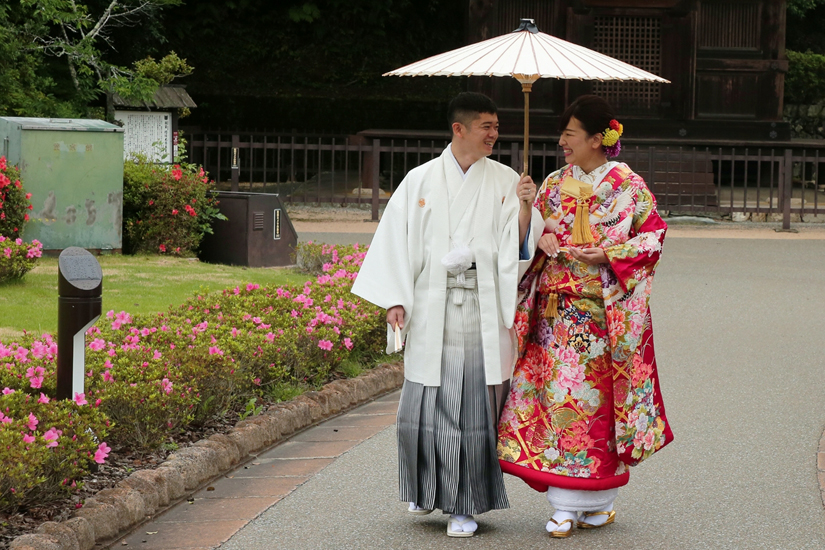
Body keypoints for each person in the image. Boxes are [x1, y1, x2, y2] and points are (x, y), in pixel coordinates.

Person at [351, 92, 545, 538]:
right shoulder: (419, 181)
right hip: (431, 302)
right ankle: (426, 488)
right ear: (459, 129)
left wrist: (526, 207)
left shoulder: (505, 181)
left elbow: (519, 244)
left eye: (497, 126)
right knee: (423, 403)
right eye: (486, 126)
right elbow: (395, 242)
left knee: (471, 406)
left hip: (479, 303)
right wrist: (395, 298)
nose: (495, 134)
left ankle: (465, 504)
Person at [496, 94, 673, 538]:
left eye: (570, 134)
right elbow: (528, 235)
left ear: (597, 139)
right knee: (561, 401)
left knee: (599, 406)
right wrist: (536, 229)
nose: (561, 142)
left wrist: (610, 253)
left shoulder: (628, 185)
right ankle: (565, 503)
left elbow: (654, 236)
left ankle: (596, 502)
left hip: (602, 315)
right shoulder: (553, 184)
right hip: (557, 314)